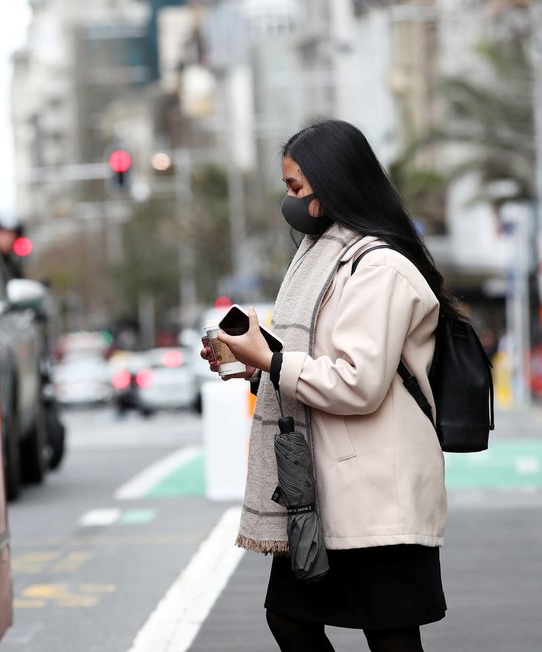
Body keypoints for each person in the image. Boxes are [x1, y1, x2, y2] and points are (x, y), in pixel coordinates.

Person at [200, 119, 464, 652]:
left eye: (297, 187)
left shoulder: (380, 266)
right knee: (291, 619)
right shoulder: (326, 259)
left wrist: (273, 362)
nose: (290, 201)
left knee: (388, 637)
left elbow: (357, 383)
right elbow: (322, 359)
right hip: (326, 489)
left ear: (334, 182)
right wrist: (256, 358)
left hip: (378, 495)